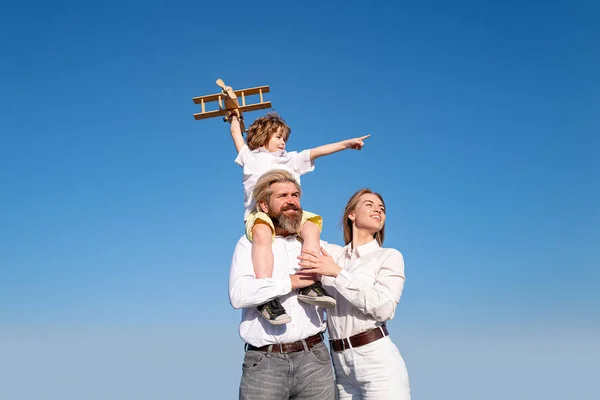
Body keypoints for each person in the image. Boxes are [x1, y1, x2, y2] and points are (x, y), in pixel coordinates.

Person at [229, 111, 369, 324]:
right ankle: (267, 295)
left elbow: (317, 152)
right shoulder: (250, 157)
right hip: (260, 216)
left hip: (290, 215)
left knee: (312, 228)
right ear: (262, 136)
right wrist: (233, 118)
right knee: (262, 234)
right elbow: (235, 134)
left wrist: (347, 144)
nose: (283, 141)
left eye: (284, 138)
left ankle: (310, 283)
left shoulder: (290, 160)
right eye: (278, 137)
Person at [229, 170, 336, 399]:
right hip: (265, 363)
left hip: (314, 360)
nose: (292, 201)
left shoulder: (314, 243)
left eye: (295, 195)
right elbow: (238, 295)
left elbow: (346, 267)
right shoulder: (248, 244)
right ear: (264, 206)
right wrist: (290, 282)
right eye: (283, 196)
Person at [297, 189, 411, 399]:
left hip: (377, 362)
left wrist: (338, 274)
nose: (378, 209)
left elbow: (385, 308)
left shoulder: (388, 256)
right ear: (351, 214)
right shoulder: (333, 254)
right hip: (340, 365)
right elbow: (299, 224)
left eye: (382, 208)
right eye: (369, 204)